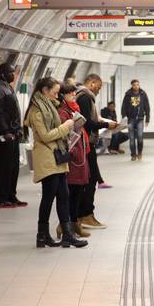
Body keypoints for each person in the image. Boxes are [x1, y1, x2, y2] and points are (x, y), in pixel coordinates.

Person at [24, 77, 87, 248]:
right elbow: (45, 136)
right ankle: (42, 234)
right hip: (46, 157)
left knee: (64, 194)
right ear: (45, 90)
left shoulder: (50, 106)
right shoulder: (37, 111)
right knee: (49, 196)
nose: (57, 95)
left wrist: (71, 129)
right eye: (55, 92)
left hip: (57, 156)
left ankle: (67, 234)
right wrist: (66, 126)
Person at [76, 74, 117, 229]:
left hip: (85, 143)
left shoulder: (81, 95)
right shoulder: (85, 97)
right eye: (98, 87)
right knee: (90, 179)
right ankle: (86, 214)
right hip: (85, 144)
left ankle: (81, 215)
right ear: (92, 83)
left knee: (89, 178)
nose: (99, 91)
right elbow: (86, 123)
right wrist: (106, 125)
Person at [0, 63, 27, 209]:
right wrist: (5, 131)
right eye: (11, 72)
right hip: (4, 135)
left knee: (13, 165)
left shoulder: (6, 86)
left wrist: (18, 129)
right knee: (3, 165)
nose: (13, 75)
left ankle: (11, 195)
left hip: (13, 132)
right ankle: (0, 198)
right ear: (3, 73)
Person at [56, 84, 91, 239]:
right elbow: (65, 133)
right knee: (70, 192)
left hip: (79, 155)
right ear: (62, 95)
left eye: (74, 93)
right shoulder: (62, 112)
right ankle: (66, 225)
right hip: (72, 157)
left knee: (77, 191)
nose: (73, 95)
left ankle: (74, 223)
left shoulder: (73, 109)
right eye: (70, 93)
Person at [121, 79, 150, 161]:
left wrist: (147, 119)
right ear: (132, 86)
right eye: (134, 85)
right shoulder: (128, 94)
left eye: (137, 84)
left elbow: (147, 107)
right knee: (132, 138)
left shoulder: (143, 94)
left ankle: (140, 152)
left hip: (140, 119)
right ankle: (133, 155)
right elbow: (124, 106)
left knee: (140, 137)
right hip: (131, 119)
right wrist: (124, 116)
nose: (136, 86)